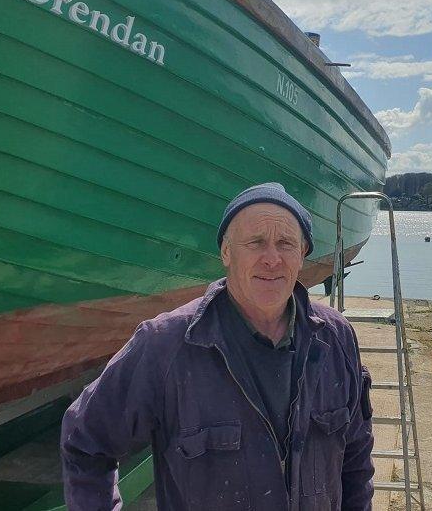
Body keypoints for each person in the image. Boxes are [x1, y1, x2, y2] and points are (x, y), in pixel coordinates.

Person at [61, 183, 375, 511]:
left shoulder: (336, 339)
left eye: (285, 243)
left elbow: (356, 461)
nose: (272, 258)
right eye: (256, 242)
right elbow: (85, 441)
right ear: (226, 252)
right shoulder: (166, 345)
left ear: (302, 255)